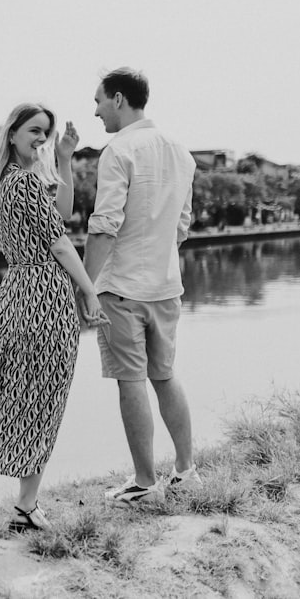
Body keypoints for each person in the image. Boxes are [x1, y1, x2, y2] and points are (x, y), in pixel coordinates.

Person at [0, 103, 108, 532]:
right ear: (12, 133)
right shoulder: (24, 182)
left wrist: (65, 158)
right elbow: (62, 243)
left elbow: (61, 214)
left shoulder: (11, 181)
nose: (41, 139)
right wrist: (89, 292)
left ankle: (26, 503)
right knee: (43, 398)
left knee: (34, 395)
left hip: (19, 293)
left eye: (45, 133)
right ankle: (26, 505)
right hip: (44, 295)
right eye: (34, 131)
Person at [83, 67, 201, 505]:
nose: (95, 111)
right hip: (166, 286)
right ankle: (187, 470)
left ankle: (144, 481)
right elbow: (182, 227)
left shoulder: (118, 150)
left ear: (117, 99)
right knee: (166, 376)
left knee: (130, 381)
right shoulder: (181, 152)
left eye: (98, 101)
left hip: (122, 288)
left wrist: (85, 285)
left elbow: (104, 225)